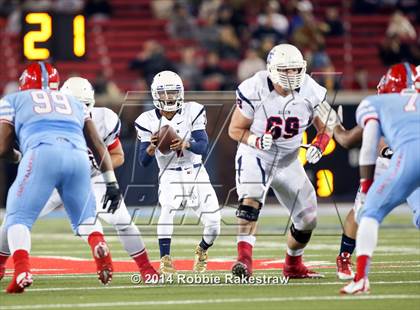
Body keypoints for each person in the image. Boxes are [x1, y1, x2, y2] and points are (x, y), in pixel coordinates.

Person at [0, 76, 158, 284]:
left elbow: (118, 155)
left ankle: (146, 268)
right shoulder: (47, 119)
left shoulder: (102, 120)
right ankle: (2, 264)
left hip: (87, 177)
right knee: (13, 219)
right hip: (60, 177)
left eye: (84, 105)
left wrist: (97, 167)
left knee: (123, 222)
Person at [228, 44, 332, 279]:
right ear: (272, 70)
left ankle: (293, 265)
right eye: (286, 70)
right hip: (256, 155)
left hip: (288, 161)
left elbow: (326, 126)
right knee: (250, 199)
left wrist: (320, 145)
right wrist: (255, 140)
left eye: (296, 70)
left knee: (308, 219)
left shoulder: (309, 89)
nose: (292, 75)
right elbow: (235, 130)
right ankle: (244, 260)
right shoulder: (254, 87)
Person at [316, 63, 420, 281]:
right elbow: (366, 142)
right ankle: (344, 256)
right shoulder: (383, 105)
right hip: (388, 162)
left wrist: (336, 127)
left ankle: (359, 277)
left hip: (411, 162)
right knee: (363, 210)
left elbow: (347, 140)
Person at [135, 71, 221, 274]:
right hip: (169, 173)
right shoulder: (146, 120)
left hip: (195, 171)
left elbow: (203, 147)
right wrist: (151, 147)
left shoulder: (193, 110)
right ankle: (165, 258)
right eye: (165, 94)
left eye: (173, 93)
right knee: (167, 210)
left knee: (215, 225)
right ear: (156, 95)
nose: (170, 98)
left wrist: (186, 143)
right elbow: (143, 161)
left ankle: (202, 249)